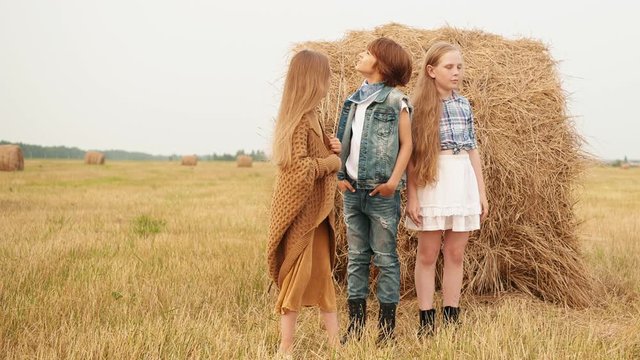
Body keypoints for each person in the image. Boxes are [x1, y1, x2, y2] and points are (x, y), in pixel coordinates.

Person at [405, 41, 489, 337]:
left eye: (459, 67)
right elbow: (411, 156)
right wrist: (412, 195)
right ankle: (426, 319)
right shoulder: (417, 107)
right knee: (427, 254)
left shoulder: (463, 104)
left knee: (455, 253)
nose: (456, 73)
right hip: (432, 182)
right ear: (431, 71)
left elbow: (472, 149)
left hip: (461, 178)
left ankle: (452, 316)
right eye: (449, 67)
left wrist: (480, 191)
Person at [335, 37, 413, 344]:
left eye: (367, 53)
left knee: (385, 258)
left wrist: (394, 182)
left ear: (381, 64)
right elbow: (345, 141)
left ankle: (386, 330)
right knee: (356, 258)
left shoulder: (396, 101)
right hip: (352, 190)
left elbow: (407, 145)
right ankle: (355, 327)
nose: (360, 54)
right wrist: (339, 174)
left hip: (381, 192)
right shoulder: (352, 100)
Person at [266, 49, 343, 356]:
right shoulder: (298, 122)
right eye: (325, 78)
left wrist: (330, 146)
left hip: (318, 214)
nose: (328, 84)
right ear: (313, 81)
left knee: (323, 275)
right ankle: (285, 348)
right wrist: (332, 163)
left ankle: (335, 344)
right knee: (296, 279)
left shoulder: (313, 117)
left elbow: (318, 155)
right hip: (302, 216)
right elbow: (300, 170)